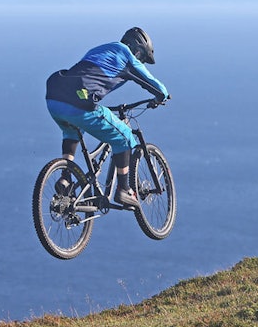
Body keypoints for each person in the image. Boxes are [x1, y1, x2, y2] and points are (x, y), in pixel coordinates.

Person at [45, 27, 169, 207]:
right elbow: (154, 85)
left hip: (55, 98)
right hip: (78, 102)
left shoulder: (99, 50)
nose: (140, 61)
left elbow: (86, 77)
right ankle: (124, 189)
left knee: (72, 130)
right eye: (142, 58)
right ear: (137, 50)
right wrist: (162, 96)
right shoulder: (126, 54)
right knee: (124, 136)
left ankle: (65, 177)